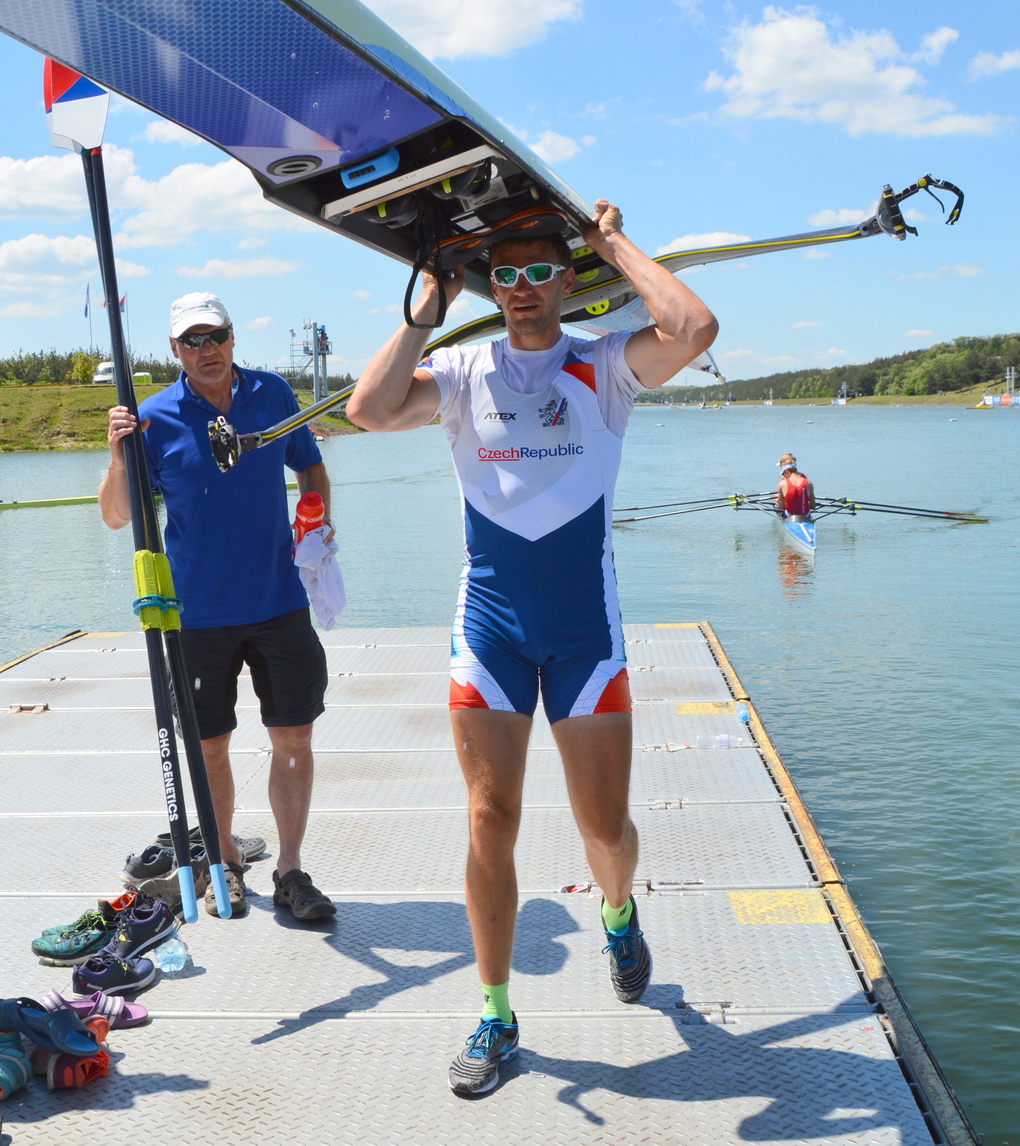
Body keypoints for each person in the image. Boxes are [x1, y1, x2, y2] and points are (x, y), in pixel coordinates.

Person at [346, 199, 719, 1095]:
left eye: (537, 272)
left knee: (604, 828)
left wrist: (612, 244)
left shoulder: (606, 363)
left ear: (564, 280)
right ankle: (496, 1012)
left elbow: (694, 328)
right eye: (503, 274)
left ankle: (618, 914)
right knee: (490, 818)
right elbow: (368, 408)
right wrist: (427, 306)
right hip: (492, 629)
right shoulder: (461, 369)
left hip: (585, 633)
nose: (519, 288)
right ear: (493, 287)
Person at [98, 293, 336, 924]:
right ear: (174, 350)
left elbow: (310, 468)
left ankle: (290, 870)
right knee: (209, 747)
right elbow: (117, 515)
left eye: (216, 337)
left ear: (233, 338)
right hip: (195, 614)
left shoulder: (272, 394)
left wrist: (316, 521)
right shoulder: (153, 419)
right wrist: (118, 453)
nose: (207, 351)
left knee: (294, 739)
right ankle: (225, 860)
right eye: (192, 341)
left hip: (280, 601)